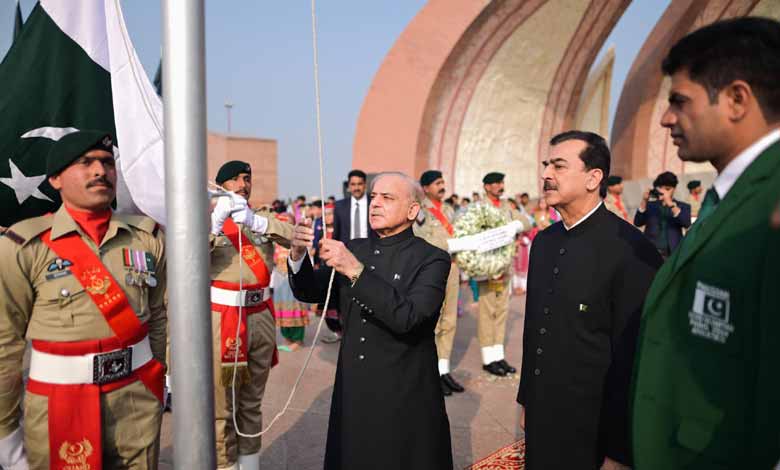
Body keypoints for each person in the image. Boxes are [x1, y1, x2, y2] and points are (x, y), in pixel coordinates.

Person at [632, 18, 780, 468]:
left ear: (736, 99)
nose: (666, 118)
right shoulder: (733, 194)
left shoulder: (772, 202)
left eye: (680, 101)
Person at [0, 130, 167, 469]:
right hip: (60, 401)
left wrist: (158, 379)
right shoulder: (24, 244)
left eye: (107, 163)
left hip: (136, 398)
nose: (99, 171)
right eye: (85, 162)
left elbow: (159, 317)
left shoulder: (146, 238)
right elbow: (5, 343)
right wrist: (5, 432)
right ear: (56, 179)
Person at [517, 130, 662, 470]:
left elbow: (636, 360)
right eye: (546, 165)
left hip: (594, 427)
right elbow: (535, 329)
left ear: (593, 177)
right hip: (542, 416)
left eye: (559, 166)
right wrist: (527, 399)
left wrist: (620, 451)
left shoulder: (631, 250)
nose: (546, 175)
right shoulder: (544, 242)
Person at [288, 172, 453, 470]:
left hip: (404, 388)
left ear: (412, 211)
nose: (375, 204)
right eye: (373, 197)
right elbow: (309, 290)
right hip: (355, 385)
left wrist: (355, 270)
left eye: (387, 198)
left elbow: (410, 318)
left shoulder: (433, 258)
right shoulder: (355, 247)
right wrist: (298, 256)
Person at [209, 160, 294, 470]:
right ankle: (226, 465)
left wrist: (256, 224)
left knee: (252, 402)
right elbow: (189, 261)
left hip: (259, 315)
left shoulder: (260, 217)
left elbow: (293, 236)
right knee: (222, 406)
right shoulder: (205, 221)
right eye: (234, 180)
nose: (242, 184)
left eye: (246, 178)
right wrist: (214, 226)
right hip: (223, 317)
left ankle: (249, 463)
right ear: (220, 186)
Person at [414, 170, 465, 396]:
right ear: (425, 188)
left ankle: (443, 369)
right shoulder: (420, 211)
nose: (442, 186)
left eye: (443, 182)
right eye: (438, 183)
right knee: (433, 322)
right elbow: (420, 241)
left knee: (449, 320)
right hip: (432, 271)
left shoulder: (449, 210)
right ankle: (430, 371)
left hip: (452, 268)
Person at [478, 172, 532, 376]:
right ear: (486, 187)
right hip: (489, 267)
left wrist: (515, 225)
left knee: (501, 311)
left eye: (501, 182)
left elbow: (527, 222)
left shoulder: (506, 207)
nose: (500, 186)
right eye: (496, 183)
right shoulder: (479, 208)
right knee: (487, 311)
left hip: (504, 267)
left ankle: (498, 355)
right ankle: (487, 358)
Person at [634, 171, 691, 257]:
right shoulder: (650, 205)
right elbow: (637, 222)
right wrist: (644, 201)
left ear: (674, 189)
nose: (663, 191)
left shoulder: (683, 206)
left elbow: (686, 223)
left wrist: (671, 205)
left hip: (672, 253)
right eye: (660, 188)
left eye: (667, 189)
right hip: (650, 252)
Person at [333, 169, 370, 243]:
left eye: (360, 184)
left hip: (371, 250)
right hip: (346, 250)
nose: (356, 188)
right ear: (349, 186)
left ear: (365, 185)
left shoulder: (374, 203)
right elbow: (336, 233)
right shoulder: (339, 206)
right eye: (353, 184)